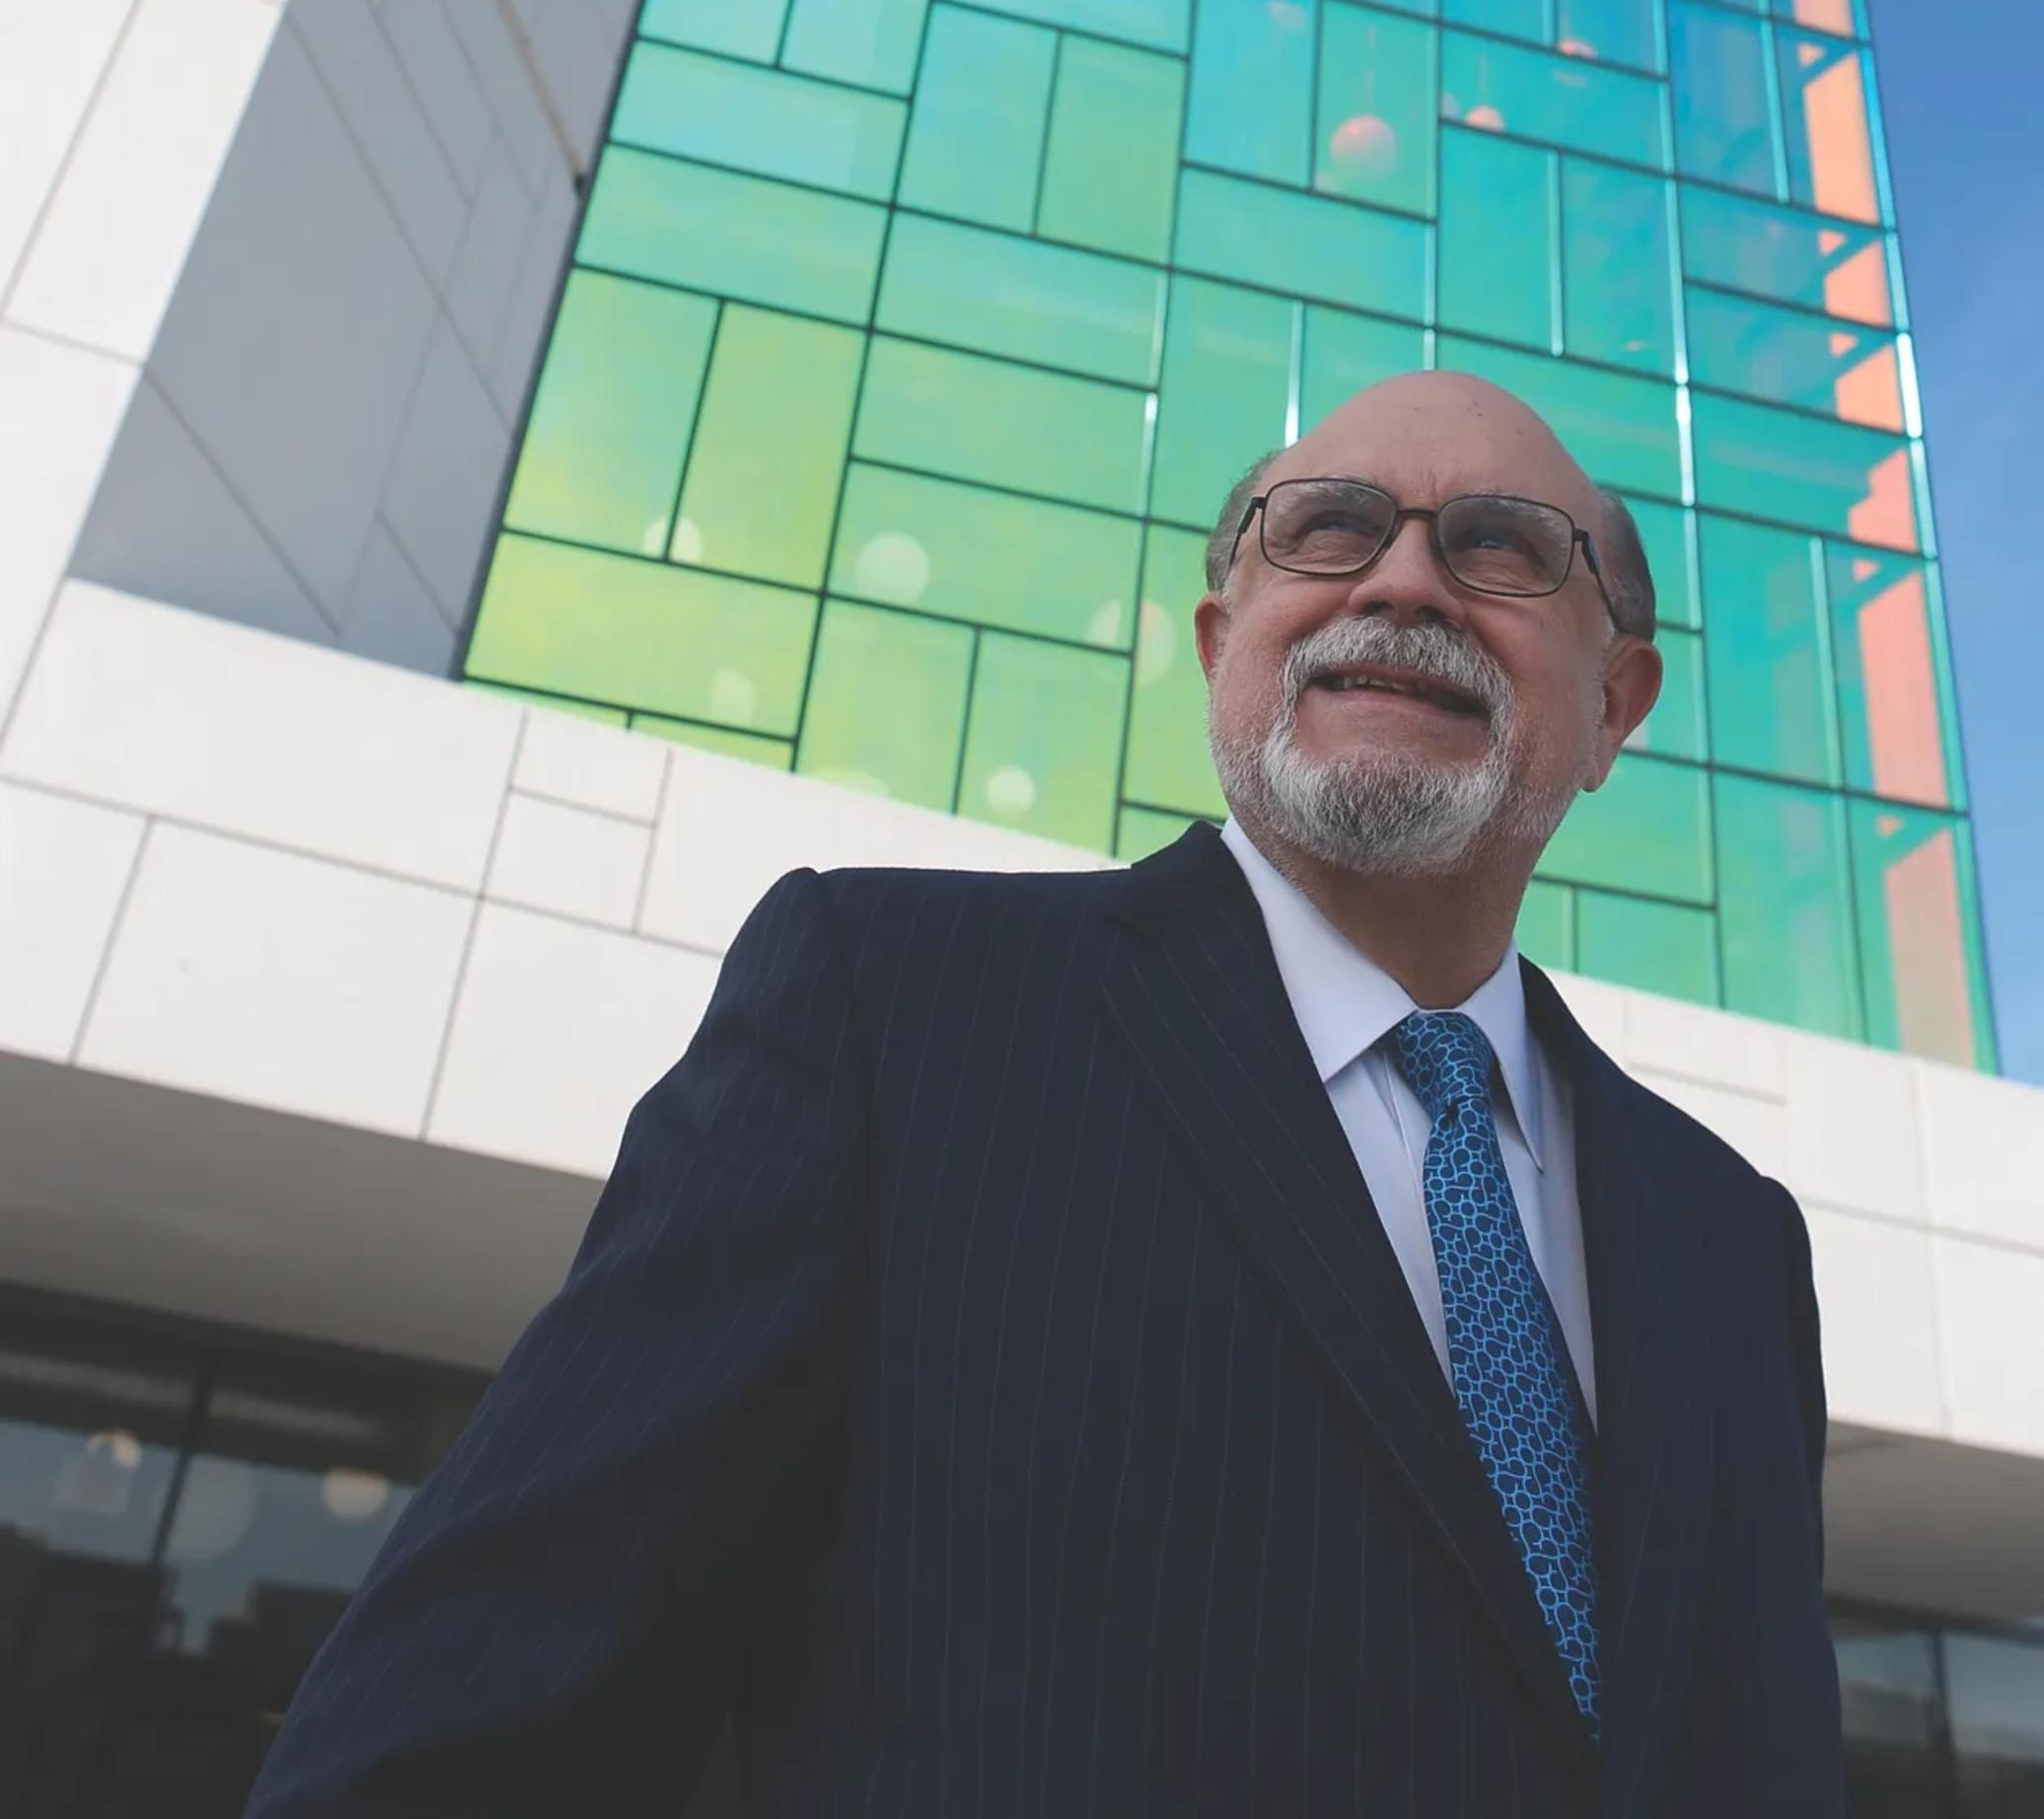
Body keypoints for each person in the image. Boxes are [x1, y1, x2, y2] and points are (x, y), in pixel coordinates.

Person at [248, 371, 1842, 1818]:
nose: (1402, 577)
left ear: (1618, 706)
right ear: (1228, 646)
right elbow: (471, 1723)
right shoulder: (886, 1008)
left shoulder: (1729, 1238)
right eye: (1329, 528)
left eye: (1500, 546)